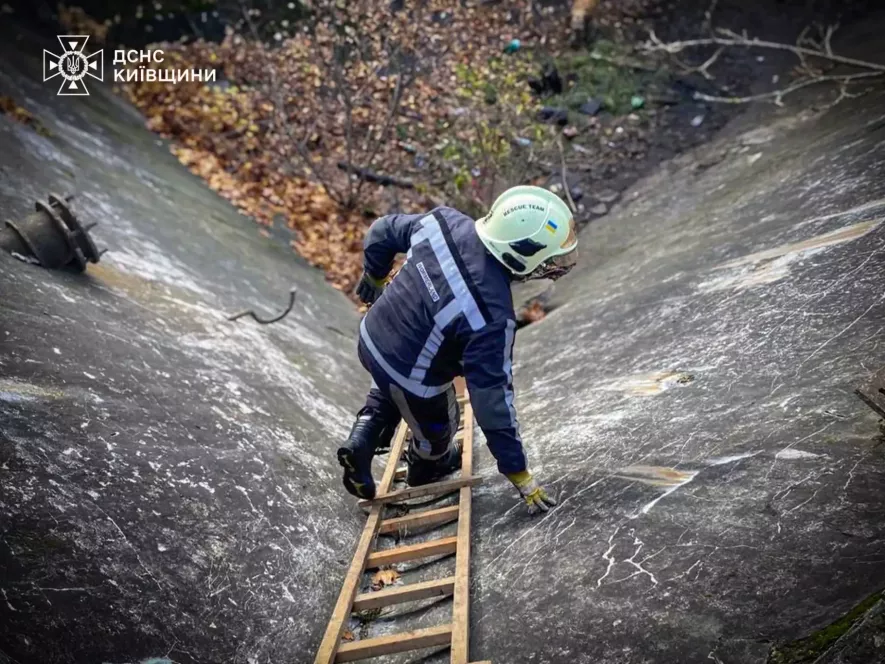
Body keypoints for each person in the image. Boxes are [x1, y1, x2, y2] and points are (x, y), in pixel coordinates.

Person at [338, 185, 578, 514]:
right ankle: (428, 462)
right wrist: (517, 470)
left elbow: (382, 231)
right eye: (547, 259)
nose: (552, 265)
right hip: (411, 377)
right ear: (520, 253)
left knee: (393, 375)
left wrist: (374, 276)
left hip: (372, 337)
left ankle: (364, 435)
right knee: (439, 425)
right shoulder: (491, 316)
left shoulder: (444, 222)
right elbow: (492, 401)